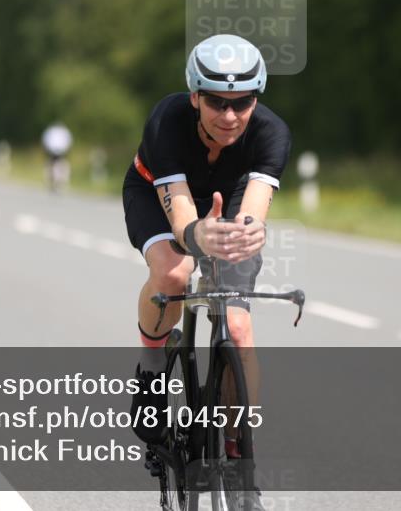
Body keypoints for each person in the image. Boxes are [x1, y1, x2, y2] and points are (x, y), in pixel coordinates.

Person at [122, 34, 291, 465]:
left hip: (227, 198)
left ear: (257, 98)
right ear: (195, 96)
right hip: (158, 193)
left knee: (237, 327)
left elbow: (252, 213)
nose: (230, 116)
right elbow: (180, 218)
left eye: (243, 102)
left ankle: (241, 454)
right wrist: (198, 235)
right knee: (174, 272)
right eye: (216, 102)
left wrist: (248, 235)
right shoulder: (168, 120)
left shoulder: (271, 133)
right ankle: (152, 364)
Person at [41, 121, 73, 191]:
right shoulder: (60, 131)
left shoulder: (57, 131)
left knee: (58, 165)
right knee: (54, 165)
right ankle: (55, 180)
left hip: (58, 150)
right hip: (56, 150)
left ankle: (58, 180)